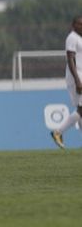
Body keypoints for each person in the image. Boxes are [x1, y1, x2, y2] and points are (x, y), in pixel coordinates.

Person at [51, 15, 82, 149]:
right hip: (76, 77)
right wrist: (77, 80)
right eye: (79, 24)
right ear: (73, 25)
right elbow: (70, 59)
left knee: (80, 110)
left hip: (80, 75)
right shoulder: (72, 37)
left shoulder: (79, 38)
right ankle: (58, 132)